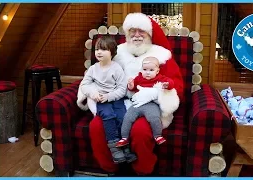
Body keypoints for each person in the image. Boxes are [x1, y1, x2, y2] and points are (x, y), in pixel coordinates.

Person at [86, 12, 184, 175]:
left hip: (151, 106)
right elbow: (100, 75)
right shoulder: (117, 53)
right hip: (118, 102)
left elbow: (177, 86)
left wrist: (154, 93)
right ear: (127, 33)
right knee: (96, 126)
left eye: (141, 31)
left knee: (140, 131)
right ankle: (112, 169)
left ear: (149, 34)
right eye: (133, 31)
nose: (137, 35)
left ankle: (142, 171)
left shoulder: (161, 55)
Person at [77, 36, 137, 164]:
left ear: (112, 52)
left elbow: (122, 89)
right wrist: (94, 94)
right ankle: (114, 148)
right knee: (108, 116)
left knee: (122, 117)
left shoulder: (117, 68)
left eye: (103, 49)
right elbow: (84, 85)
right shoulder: (93, 69)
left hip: (115, 98)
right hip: (100, 99)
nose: (99, 52)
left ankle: (125, 146)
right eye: (97, 49)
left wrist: (109, 96)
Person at [116, 56, 175, 148]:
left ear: (157, 71)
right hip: (137, 103)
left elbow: (171, 82)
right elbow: (132, 88)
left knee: (154, 117)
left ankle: (157, 135)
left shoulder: (160, 78)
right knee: (128, 117)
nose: (147, 72)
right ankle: (124, 137)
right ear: (141, 70)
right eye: (145, 69)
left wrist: (167, 85)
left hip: (151, 104)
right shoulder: (139, 78)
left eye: (151, 70)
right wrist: (131, 85)